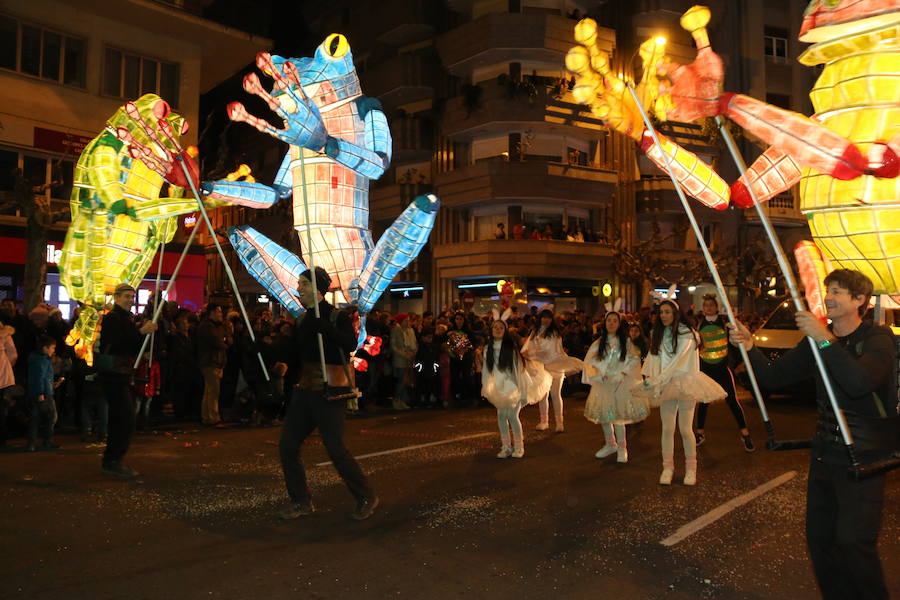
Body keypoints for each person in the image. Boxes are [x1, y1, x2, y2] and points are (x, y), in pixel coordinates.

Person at [728, 269, 896, 599]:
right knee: (821, 541)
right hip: (824, 455)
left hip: (864, 459)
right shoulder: (818, 341)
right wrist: (749, 347)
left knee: (853, 543)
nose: (828, 296)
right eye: (827, 290)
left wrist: (823, 338)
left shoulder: (877, 338)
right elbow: (774, 378)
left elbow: (859, 383)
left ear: (859, 300)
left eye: (838, 291)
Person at [278, 267, 378, 521]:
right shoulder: (302, 320)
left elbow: (349, 345)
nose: (298, 288)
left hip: (331, 389)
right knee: (288, 445)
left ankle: (365, 495)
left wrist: (326, 329)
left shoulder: (336, 317)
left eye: (302, 283)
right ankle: (301, 501)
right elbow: (293, 353)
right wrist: (265, 347)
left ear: (316, 288)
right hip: (306, 389)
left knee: (334, 447)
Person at [636, 300, 725, 486]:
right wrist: (649, 378)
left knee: (685, 429)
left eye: (667, 312)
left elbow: (677, 361)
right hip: (666, 384)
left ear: (676, 313)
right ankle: (667, 468)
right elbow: (654, 359)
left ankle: (691, 469)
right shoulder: (659, 333)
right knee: (667, 429)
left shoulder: (688, 333)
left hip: (685, 383)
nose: (663, 315)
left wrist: (658, 380)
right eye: (661, 312)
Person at [96, 283, 157, 477]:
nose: (130, 300)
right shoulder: (113, 319)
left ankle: (113, 459)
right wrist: (141, 332)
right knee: (124, 418)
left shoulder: (125, 318)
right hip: (113, 374)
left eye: (132, 297)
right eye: (126, 297)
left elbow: (130, 345)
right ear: (117, 297)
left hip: (121, 373)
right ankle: (113, 460)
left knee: (122, 417)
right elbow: (119, 344)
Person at [583, 311, 647, 463]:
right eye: (609, 320)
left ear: (619, 324)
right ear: (604, 323)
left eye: (614, 321)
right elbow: (589, 362)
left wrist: (622, 373)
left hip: (620, 384)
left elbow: (633, 360)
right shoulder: (598, 343)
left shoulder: (625, 342)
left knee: (618, 417)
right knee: (604, 416)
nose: (611, 323)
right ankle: (610, 443)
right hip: (603, 384)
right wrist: (598, 374)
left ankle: (622, 448)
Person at [482, 318, 549, 458]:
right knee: (501, 416)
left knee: (512, 416)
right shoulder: (488, 348)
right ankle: (506, 446)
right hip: (498, 388)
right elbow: (486, 371)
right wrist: (486, 387)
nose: (498, 330)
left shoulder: (510, 348)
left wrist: (523, 392)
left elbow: (519, 371)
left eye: (501, 327)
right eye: (495, 327)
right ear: (491, 330)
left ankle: (519, 447)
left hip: (513, 386)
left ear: (505, 330)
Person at [694, 294, 754, 451]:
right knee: (704, 402)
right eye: (705, 305)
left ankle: (745, 434)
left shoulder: (725, 323)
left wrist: (740, 362)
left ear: (716, 307)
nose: (708, 307)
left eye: (711, 305)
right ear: (703, 308)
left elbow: (738, 342)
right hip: (705, 369)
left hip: (722, 368)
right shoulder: (698, 324)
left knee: (733, 401)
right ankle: (699, 433)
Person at [522, 309, 582, 432]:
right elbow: (528, 348)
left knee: (555, 394)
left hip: (557, 365)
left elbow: (552, 351)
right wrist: (529, 354)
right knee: (543, 395)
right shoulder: (535, 332)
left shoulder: (554, 333)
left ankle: (559, 423)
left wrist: (534, 353)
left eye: (548, 317)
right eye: (544, 317)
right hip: (542, 368)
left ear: (551, 319)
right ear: (540, 318)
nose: (546, 319)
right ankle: (544, 421)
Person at [196, 304, 230, 426]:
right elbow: (217, 342)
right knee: (213, 391)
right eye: (219, 311)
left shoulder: (214, 326)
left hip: (214, 361)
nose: (221, 314)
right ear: (212, 312)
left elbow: (224, 340)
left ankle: (207, 416)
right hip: (210, 361)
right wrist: (224, 342)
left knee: (209, 390)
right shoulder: (207, 327)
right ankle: (213, 417)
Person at [27, 335, 60, 452]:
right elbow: (39, 377)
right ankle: (47, 441)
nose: (53, 350)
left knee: (35, 418)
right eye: (52, 347)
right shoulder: (42, 360)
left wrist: (52, 384)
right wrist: (41, 392)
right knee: (51, 417)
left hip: (38, 391)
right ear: (45, 348)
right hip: (44, 393)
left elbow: (40, 377)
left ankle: (31, 444)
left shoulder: (36, 359)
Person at [390, 313, 416, 411]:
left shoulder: (409, 331)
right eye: (406, 320)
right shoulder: (396, 330)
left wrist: (413, 352)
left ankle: (401, 400)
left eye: (408, 320)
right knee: (400, 381)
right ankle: (396, 400)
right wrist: (403, 353)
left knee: (405, 381)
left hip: (408, 359)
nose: (408, 322)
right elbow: (393, 346)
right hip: (400, 359)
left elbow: (413, 343)